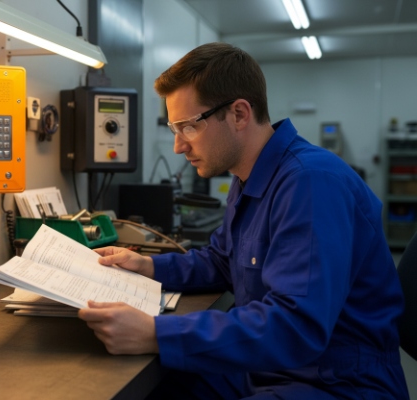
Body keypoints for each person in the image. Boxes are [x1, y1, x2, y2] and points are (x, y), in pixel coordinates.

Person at [78, 42, 410, 399]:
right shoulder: (249, 178)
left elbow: (296, 326)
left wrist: (156, 333)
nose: (178, 146)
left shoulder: (310, 183)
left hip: (334, 382)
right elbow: (223, 261)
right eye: (175, 129)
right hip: (271, 368)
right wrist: (149, 267)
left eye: (188, 127)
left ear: (238, 114)